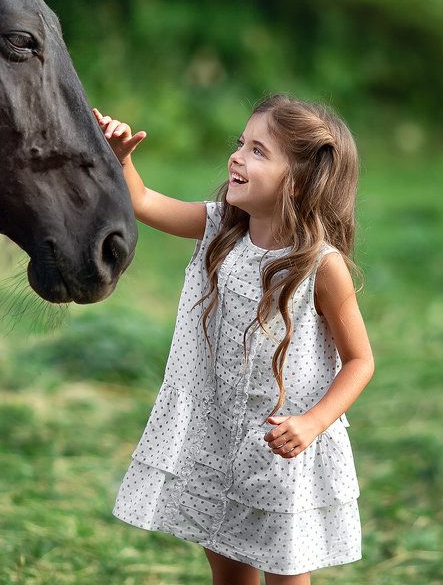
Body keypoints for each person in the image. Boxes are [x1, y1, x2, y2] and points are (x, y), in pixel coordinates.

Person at [94, 94, 374, 585]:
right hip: (217, 434)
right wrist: (123, 160)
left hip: (282, 443)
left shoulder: (321, 267)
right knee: (227, 567)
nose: (237, 157)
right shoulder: (221, 227)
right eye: (240, 144)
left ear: (301, 181)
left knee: (285, 575)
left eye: (258, 151)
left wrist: (311, 424)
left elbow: (360, 362)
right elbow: (142, 202)